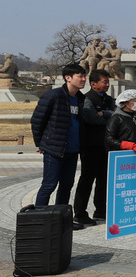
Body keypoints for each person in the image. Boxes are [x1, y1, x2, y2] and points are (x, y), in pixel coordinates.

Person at [31, 64, 87, 227]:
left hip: (73, 150)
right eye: (80, 76)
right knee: (49, 185)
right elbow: (37, 121)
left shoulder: (81, 99)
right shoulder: (53, 96)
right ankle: (38, 221)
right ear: (68, 78)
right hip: (54, 150)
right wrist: (40, 143)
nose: (83, 79)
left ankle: (61, 221)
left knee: (66, 186)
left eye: (84, 76)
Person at [74, 69, 116, 227]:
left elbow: (116, 115)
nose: (107, 84)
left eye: (107, 82)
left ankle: (100, 210)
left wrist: (103, 113)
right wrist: (109, 117)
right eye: (104, 82)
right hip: (90, 146)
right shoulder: (87, 99)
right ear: (93, 84)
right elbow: (91, 118)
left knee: (103, 180)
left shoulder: (109, 99)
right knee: (87, 180)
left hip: (105, 147)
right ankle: (79, 213)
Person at [105, 90, 136, 158]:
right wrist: (127, 145)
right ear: (125, 102)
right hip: (124, 157)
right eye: (135, 101)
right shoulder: (116, 118)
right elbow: (109, 139)